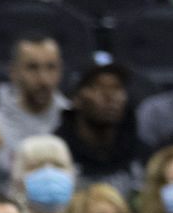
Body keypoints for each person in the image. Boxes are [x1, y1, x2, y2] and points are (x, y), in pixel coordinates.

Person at [0, 34, 64, 194]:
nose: (43, 79)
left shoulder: (77, 122)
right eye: (32, 68)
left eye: (51, 67)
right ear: (13, 72)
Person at [57, 55, 143, 193]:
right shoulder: (58, 150)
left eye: (117, 87)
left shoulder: (139, 149)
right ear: (76, 97)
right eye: (98, 87)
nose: (110, 96)